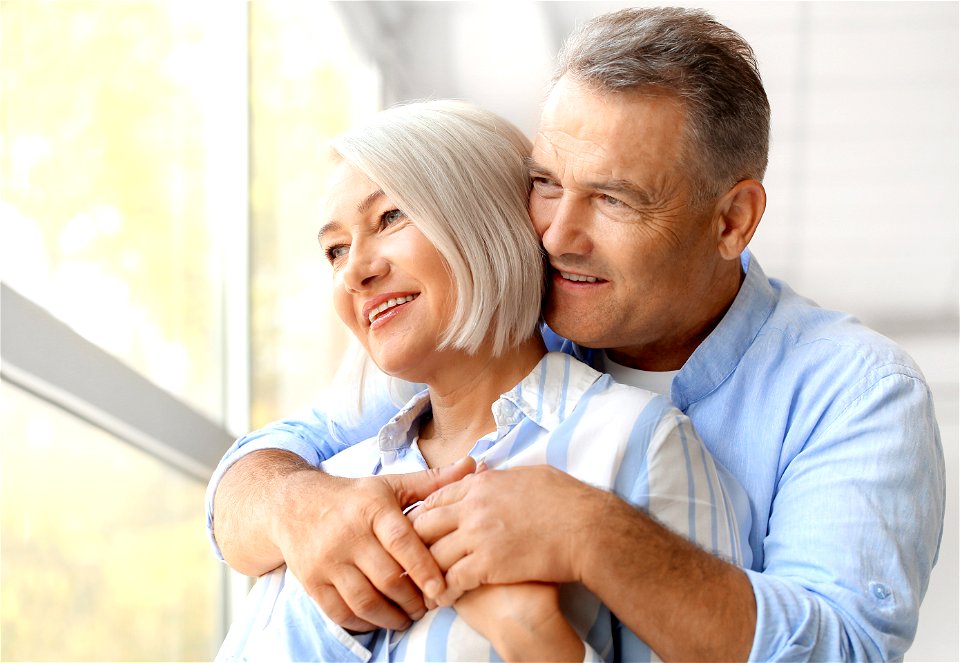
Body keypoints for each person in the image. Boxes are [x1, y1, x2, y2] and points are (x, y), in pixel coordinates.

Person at [206, 7, 946, 661]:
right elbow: (260, 474)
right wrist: (299, 506)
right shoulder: (490, 334)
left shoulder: (855, 389)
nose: (557, 235)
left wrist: (591, 531)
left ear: (732, 220)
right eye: (547, 182)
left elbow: (839, 650)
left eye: (613, 198)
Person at [214, 99, 748, 662]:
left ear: (483, 216)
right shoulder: (332, 485)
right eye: (335, 250)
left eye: (390, 218)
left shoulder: (636, 442)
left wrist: (536, 638)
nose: (354, 270)